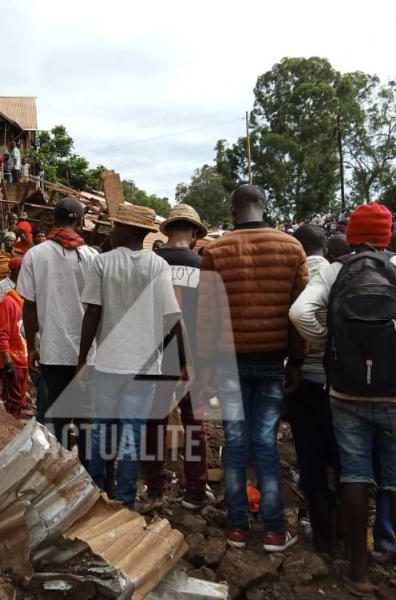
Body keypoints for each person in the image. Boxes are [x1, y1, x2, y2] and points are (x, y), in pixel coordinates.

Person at [290, 202, 396, 599]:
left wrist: (329, 342)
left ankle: (359, 572)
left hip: (346, 392)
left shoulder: (334, 271)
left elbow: (299, 313)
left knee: (354, 476)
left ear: (351, 236)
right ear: (385, 236)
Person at [198, 184, 307, 552]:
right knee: (265, 443)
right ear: (265, 205)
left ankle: (237, 527)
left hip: (229, 363)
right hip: (273, 361)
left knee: (235, 441)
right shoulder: (292, 248)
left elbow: (207, 317)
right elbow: (299, 314)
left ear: (233, 210)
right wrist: (297, 360)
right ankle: (275, 529)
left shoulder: (215, 251)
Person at [78, 205, 180, 508]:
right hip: (146, 365)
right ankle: (125, 500)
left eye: (116, 226)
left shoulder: (102, 263)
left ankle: (95, 494)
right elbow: (169, 317)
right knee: (133, 436)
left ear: (127, 230)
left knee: (102, 430)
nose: (112, 230)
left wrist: (82, 359)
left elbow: (92, 313)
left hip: (109, 363)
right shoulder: (157, 266)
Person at [141, 204, 210, 512]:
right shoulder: (204, 265)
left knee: (153, 421)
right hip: (192, 356)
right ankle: (195, 489)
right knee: (194, 423)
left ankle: (154, 487)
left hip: (155, 354)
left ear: (166, 230)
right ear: (194, 232)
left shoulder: (149, 263)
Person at [19, 198, 98, 459]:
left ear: (54, 220)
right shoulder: (92, 257)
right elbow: (100, 308)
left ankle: (61, 469)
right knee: (86, 416)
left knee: (59, 415)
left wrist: (32, 347)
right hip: (87, 354)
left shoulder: (35, 255)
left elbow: (28, 308)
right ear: (79, 221)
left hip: (53, 350)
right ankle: (89, 476)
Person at [288, 225, 340, 554]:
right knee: (343, 460)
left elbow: (291, 321)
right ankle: (346, 532)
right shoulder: (341, 274)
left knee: (310, 459)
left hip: (303, 377)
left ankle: (322, 535)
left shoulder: (297, 273)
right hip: (340, 383)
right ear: (326, 247)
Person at [0, 259, 28, 419]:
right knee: (13, 403)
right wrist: (7, 362)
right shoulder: (8, 303)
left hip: (23, 359)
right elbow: (1, 335)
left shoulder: (24, 302)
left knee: (19, 401)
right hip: (13, 360)